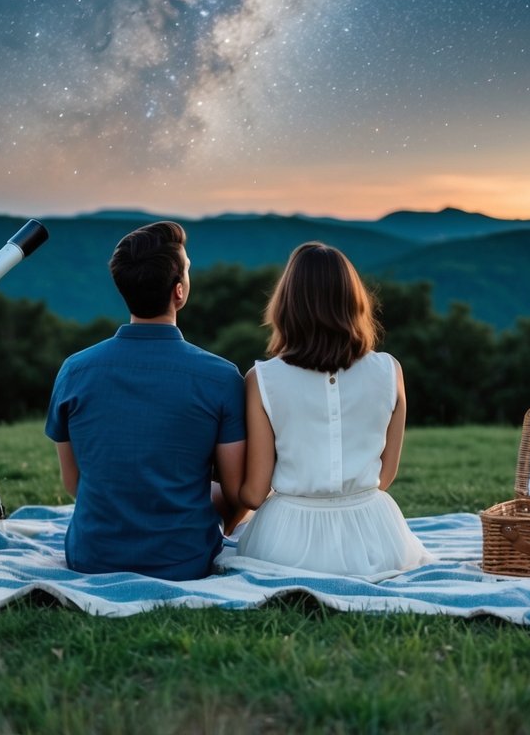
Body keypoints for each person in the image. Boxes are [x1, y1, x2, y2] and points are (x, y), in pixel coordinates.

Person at [45, 220, 247, 580]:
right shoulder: (221, 377)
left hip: (90, 557)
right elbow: (236, 493)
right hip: (183, 562)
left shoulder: (73, 371)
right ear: (179, 292)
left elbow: (74, 482)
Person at [235, 241, 433, 576]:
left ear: (286, 305)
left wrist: (220, 492)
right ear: (354, 302)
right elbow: (384, 478)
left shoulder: (262, 379)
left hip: (286, 544)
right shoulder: (390, 371)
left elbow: (254, 494)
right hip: (377, 539)